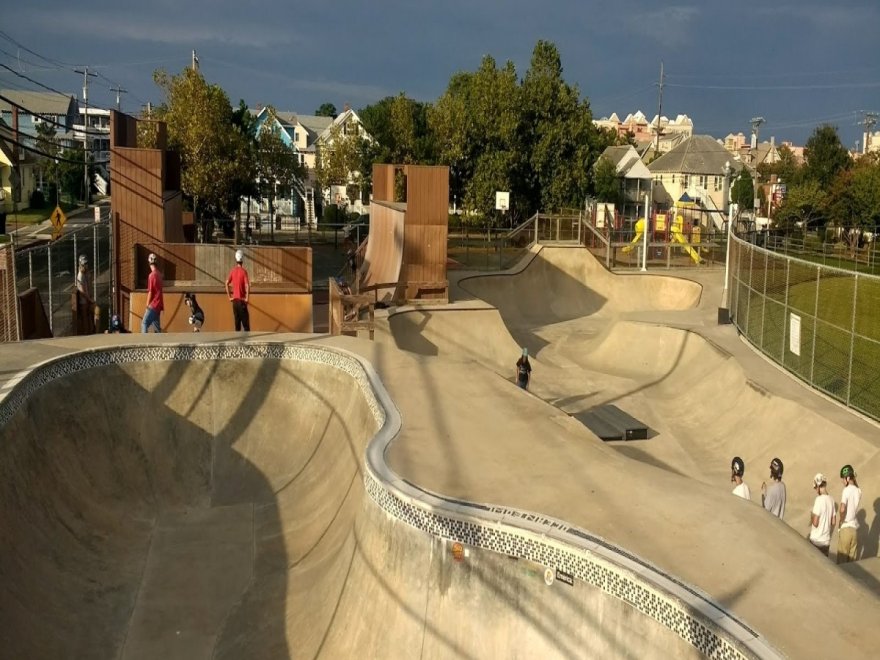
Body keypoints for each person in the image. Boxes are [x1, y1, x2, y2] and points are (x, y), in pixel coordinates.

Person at [837, 465, 862, 564]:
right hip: (854, 531)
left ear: (847, 478)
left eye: (843, 479)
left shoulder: (846, 490)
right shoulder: (858, 491)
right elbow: (857, 487)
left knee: (841, 565)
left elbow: (842, 509)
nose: (842, 481)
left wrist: (841, 521)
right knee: (852, 565)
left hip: (846, 528)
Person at [809, 473, 836, 557]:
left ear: (818, 486)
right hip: (826, 542)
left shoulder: (819, 500)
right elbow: (833, 521)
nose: (815, 490)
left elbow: (815, 523)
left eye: (815, 488)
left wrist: (812, 515)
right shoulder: (831, 500)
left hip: (816, 542)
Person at [225, 249, 250, 331]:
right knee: (246, 326)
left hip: (235, 302)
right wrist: (247, 298)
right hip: (241, 301)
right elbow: (247, 285)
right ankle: (247, 343)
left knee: (237, 326)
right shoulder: (244, 272)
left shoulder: (233, 271)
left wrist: (229, 297)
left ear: (236, 259)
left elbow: (226, 283)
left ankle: (237, 343)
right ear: (242, 259)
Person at [141, 252, 164, 333]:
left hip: (153, 305)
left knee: (144, 323)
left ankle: (144, 342)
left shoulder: (151, 275)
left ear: (149, 263)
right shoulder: (159, 274)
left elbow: (150, 291)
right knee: (157, 329)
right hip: (159, 305)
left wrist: (147, 305)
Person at [76, 254, 95, 334]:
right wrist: (89, 299)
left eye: (87, 264)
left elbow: (89, 284)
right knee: (85, 317)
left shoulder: (86, 273)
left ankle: (91, 331)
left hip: (88, 297)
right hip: (84, 300)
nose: (86, 266)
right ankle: (87, 333)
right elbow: (82, 291)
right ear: (81, 264)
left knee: (90, 315)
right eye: (84, 264)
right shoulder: (80, 276)